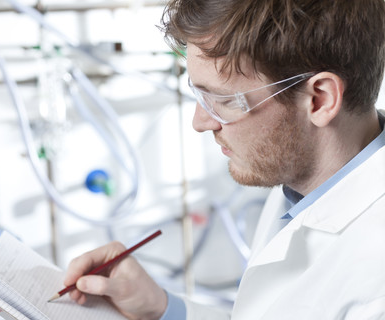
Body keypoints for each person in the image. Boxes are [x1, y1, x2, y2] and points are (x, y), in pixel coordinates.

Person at [63, 0, 385, 318]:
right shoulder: (302, 181)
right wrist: (161, 309)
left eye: (224, 100)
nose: (200, 122)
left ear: (319, 100)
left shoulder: (375, 277)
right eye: (199, 94)